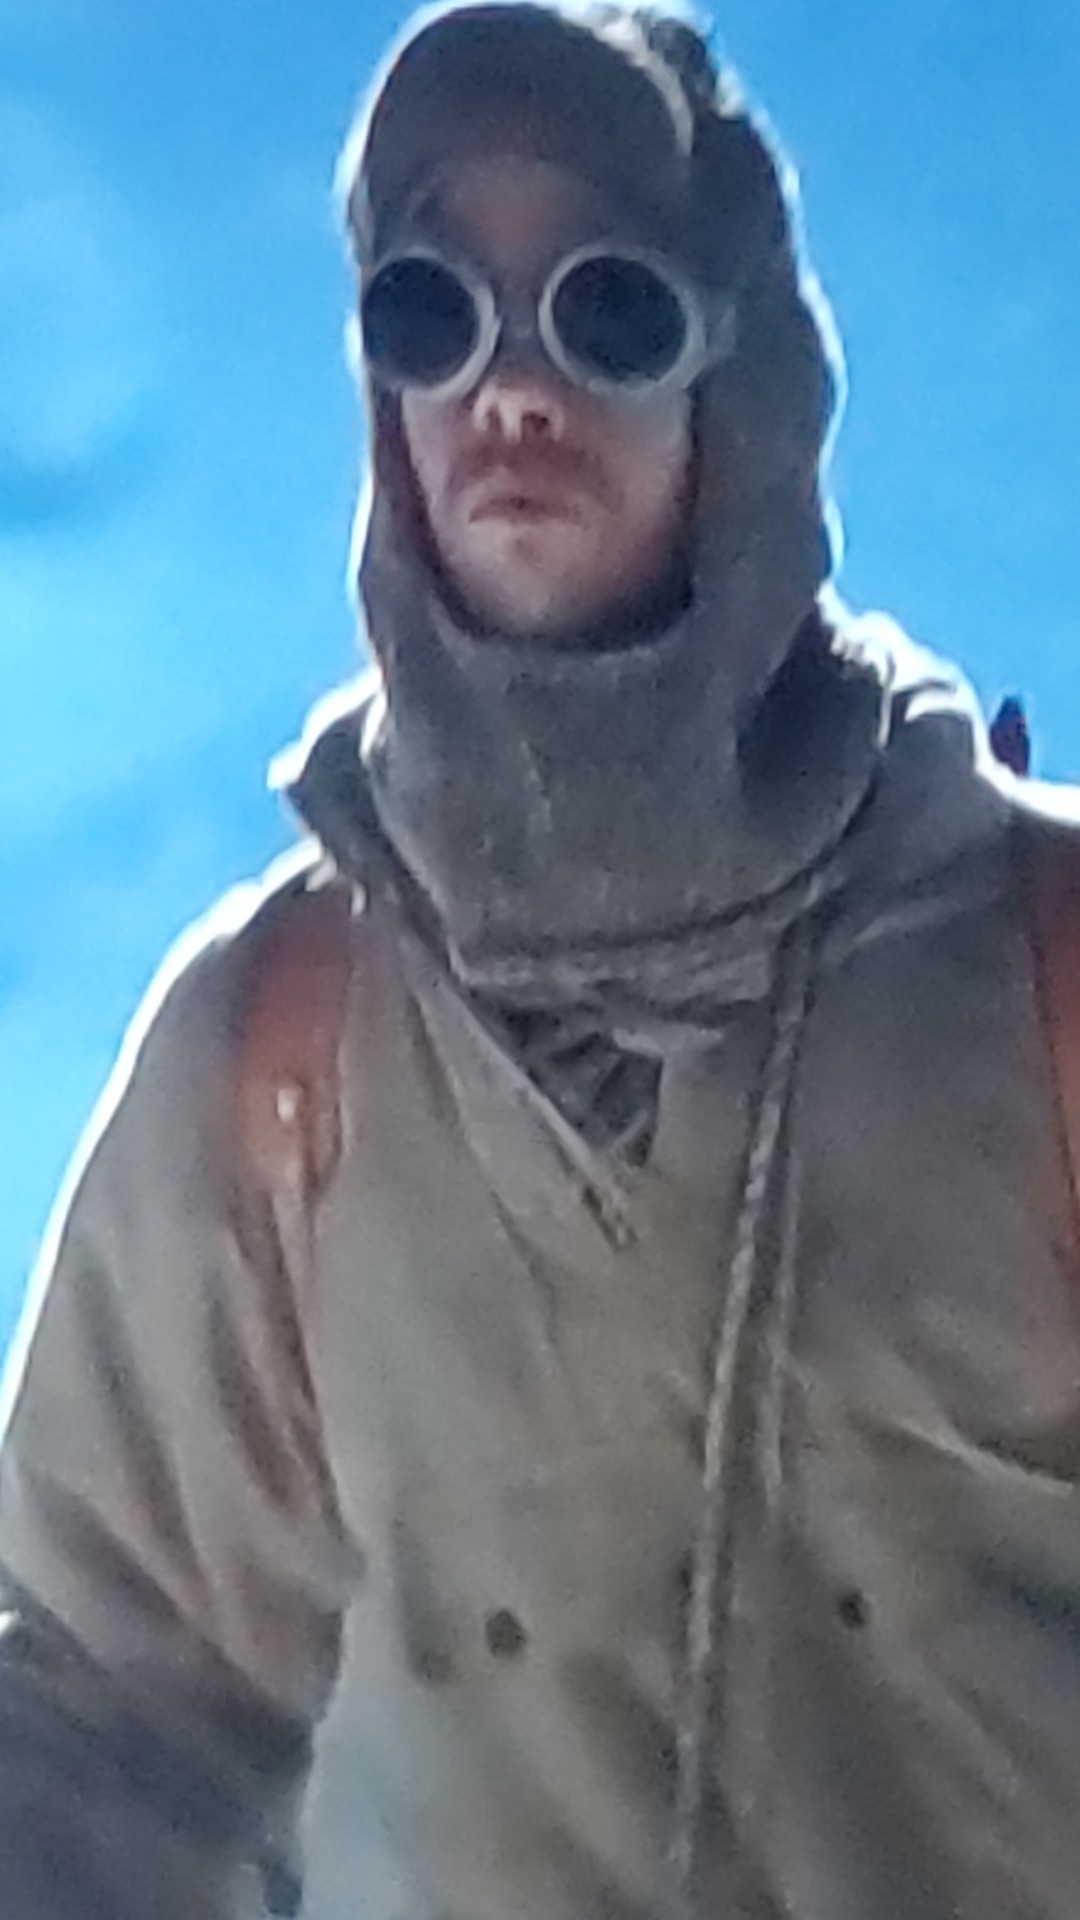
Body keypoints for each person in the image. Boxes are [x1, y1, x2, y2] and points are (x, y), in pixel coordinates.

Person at [2, 5, 1079, 1916]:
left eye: (607, 311)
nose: (509, 386)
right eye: (431, 313)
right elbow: (90, 1712)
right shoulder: (279, 1050)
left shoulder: (1042, 970)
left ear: (739, 381)